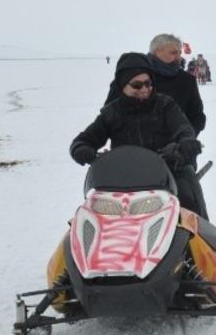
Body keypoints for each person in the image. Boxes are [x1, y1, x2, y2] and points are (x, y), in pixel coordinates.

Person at [73, 52, 209, 219]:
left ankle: (204, 242)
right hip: (124, 177)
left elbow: (183, 127)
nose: (144, 89)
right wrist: (82, 149)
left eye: (148, 83)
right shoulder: (112, 112)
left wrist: (186, 142)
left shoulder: (165, 105)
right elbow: (85, 138)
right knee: (94, 213)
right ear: (123, 86)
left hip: (169, 170)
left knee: (190, 202)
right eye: (137, 85)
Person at [105, 34, 205, 135]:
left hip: (174, 147)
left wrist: (186, 139)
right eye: (173, 52)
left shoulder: (187, 80)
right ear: (157, 51)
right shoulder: (132, 77)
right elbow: (110, 112)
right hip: (132, 147)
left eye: (180, 53)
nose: (179, 57)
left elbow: (197, 117)